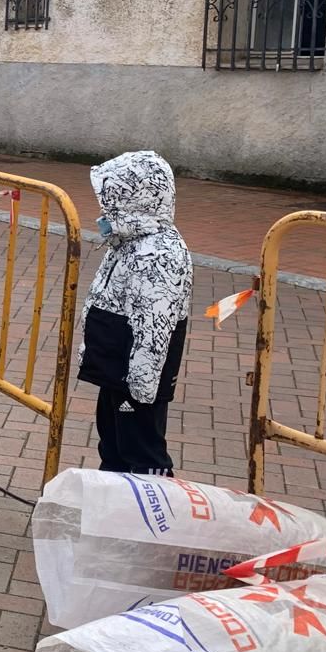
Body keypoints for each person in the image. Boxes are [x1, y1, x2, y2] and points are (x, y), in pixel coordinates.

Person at [77, 150, 193, 476]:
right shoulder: (128, 242)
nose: (104, 209)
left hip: (136, 379)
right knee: (112, 440)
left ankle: (152, 512)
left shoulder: (159, 251)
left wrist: (140, 387)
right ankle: (116, 502)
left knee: (140, 446)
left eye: (111, 199)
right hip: (117, 368)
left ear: (135, 199)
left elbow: (156, 324)